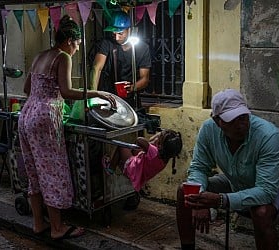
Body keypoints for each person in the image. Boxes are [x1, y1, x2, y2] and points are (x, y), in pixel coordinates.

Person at [18, 15, 116, 240]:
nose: (77, 50)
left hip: (26, 115)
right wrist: (97, 92)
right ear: (70, 40)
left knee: (34, 171)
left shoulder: (40, 56)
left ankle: (37, 224)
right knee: (51, 170)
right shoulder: (62, 56)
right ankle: (57, 227)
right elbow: (67, 92)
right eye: (78, 45)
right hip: (44, 118)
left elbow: (26, 88)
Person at [175, 89, 279, 250]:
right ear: (217, 121)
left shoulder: (268, 135)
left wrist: (220, 200)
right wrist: (198, 199)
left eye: (243, 117)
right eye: (232, 120)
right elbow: (199, 167)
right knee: (185, 191)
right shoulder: (209, 129)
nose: (240, 125)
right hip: (237, 182)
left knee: (261, 213)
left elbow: (266, 191)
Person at [89, 10, 151, 108]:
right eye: (114, 34)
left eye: (120, 33)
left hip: (130, 98)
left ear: (129, 30)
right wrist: (93, 95)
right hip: (108, 95)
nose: (117, 38)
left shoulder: (142, 48)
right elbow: (96, 68)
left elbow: (145, 78)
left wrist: (131, 88)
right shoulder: (107, 43)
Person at [110, 129, 182, 192]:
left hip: (132, 169)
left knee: (122, 146)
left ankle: (110, 168)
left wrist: (158, 136)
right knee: (137, 150)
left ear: (160, 145)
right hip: (139, 175)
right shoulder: (165, 159)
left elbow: (139, 140)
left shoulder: (154, 152)